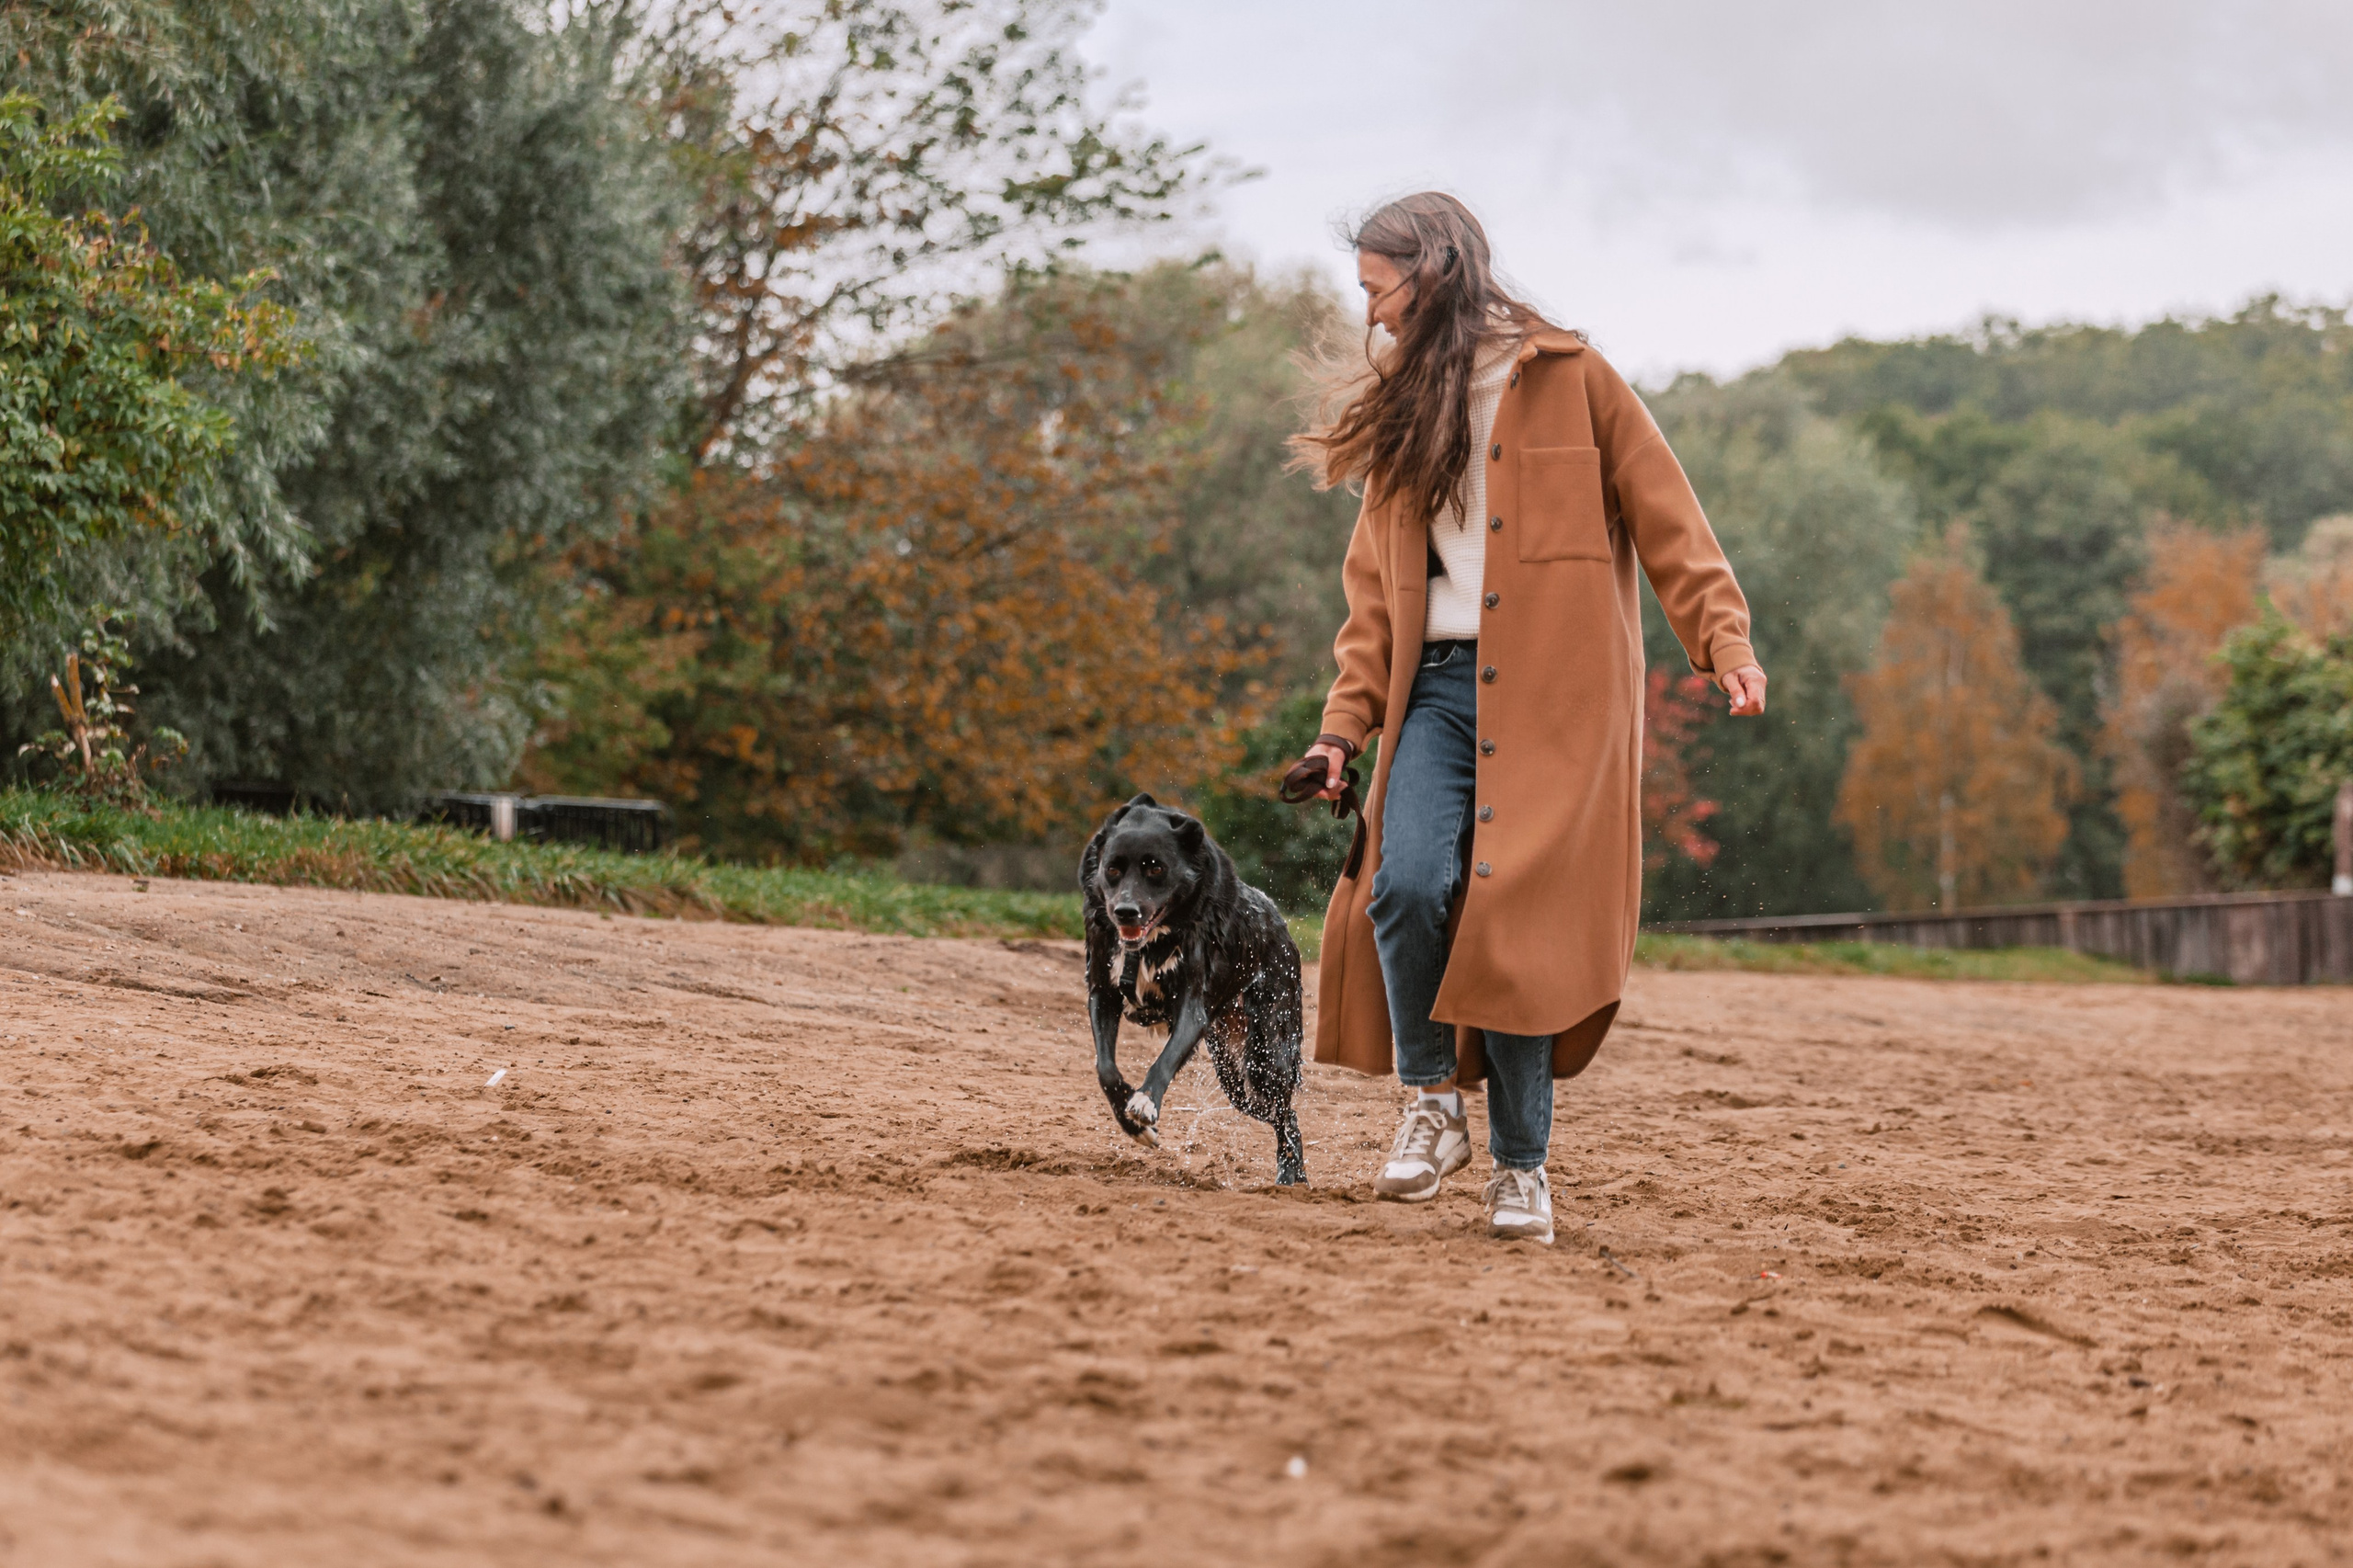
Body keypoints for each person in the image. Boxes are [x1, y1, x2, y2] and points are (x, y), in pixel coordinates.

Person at [1289, 192, 1767, 1244]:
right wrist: (1341, 731)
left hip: (1558, 703)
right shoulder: (1402, 405)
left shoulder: (1574, 378)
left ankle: (1522, 1171)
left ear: (1436, 267)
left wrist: (1723, 642)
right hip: (1438, 694)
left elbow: (1671, 523)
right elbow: (1371, 600)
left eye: (1378, 288)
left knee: (1519, 931)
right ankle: (1431, 1099)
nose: (1370, 313)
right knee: (1405, 882)